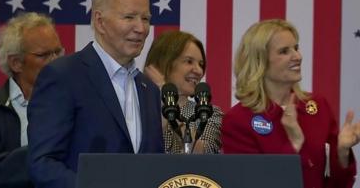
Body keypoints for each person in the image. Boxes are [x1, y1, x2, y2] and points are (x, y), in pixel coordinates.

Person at [27, 0, 164, 188]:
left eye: (145, 19)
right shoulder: (63, 77)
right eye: (129, 17)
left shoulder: (149, 90)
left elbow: (153, 166)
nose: (141, 28)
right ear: (100, 21)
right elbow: (43, 164)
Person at [221, 19, 360, 188]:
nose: (298, 56)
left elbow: (339, 185)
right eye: (284, 51)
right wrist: (293, 144)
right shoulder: (237, 121)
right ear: (260, 62)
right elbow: (250, 183)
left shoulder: (318, 106)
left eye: (296, 48)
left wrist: (343, 152)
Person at [0, 12, 63, 188]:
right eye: (44, 55)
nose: (56, 61)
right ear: (16, 63)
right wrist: (46, 155)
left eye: (57, 52)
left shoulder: (76, 104)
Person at [144, 30, 224, 154]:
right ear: (164, 62)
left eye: (201, 64)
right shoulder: (136, 107)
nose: (198, 71)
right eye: (189, 61)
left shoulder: (208, 113)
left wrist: (165, 95)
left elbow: (201, 153)